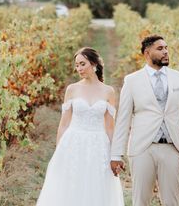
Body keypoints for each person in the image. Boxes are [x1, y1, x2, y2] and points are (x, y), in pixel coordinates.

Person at [110, 35, 179, 206]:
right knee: (141, 201)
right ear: (147, 53)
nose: (165, 52)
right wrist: (116, 154)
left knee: (172, 201)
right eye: (160, 49)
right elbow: (123, 120)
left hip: (172, 148)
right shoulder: (132, 81)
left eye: (166, 48)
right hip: (142, 148)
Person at [36, 47, 124, 205]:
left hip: (98, 145)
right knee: (70, 186)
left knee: (96, 187)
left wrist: (114, 155)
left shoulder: (108, 92)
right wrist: (59, 152)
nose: (79, 69)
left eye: (82, 64)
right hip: (73, 142)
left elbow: (110, 127)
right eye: (77, 65)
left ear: (94, 63)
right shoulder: (72, 89)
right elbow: (63, 125)